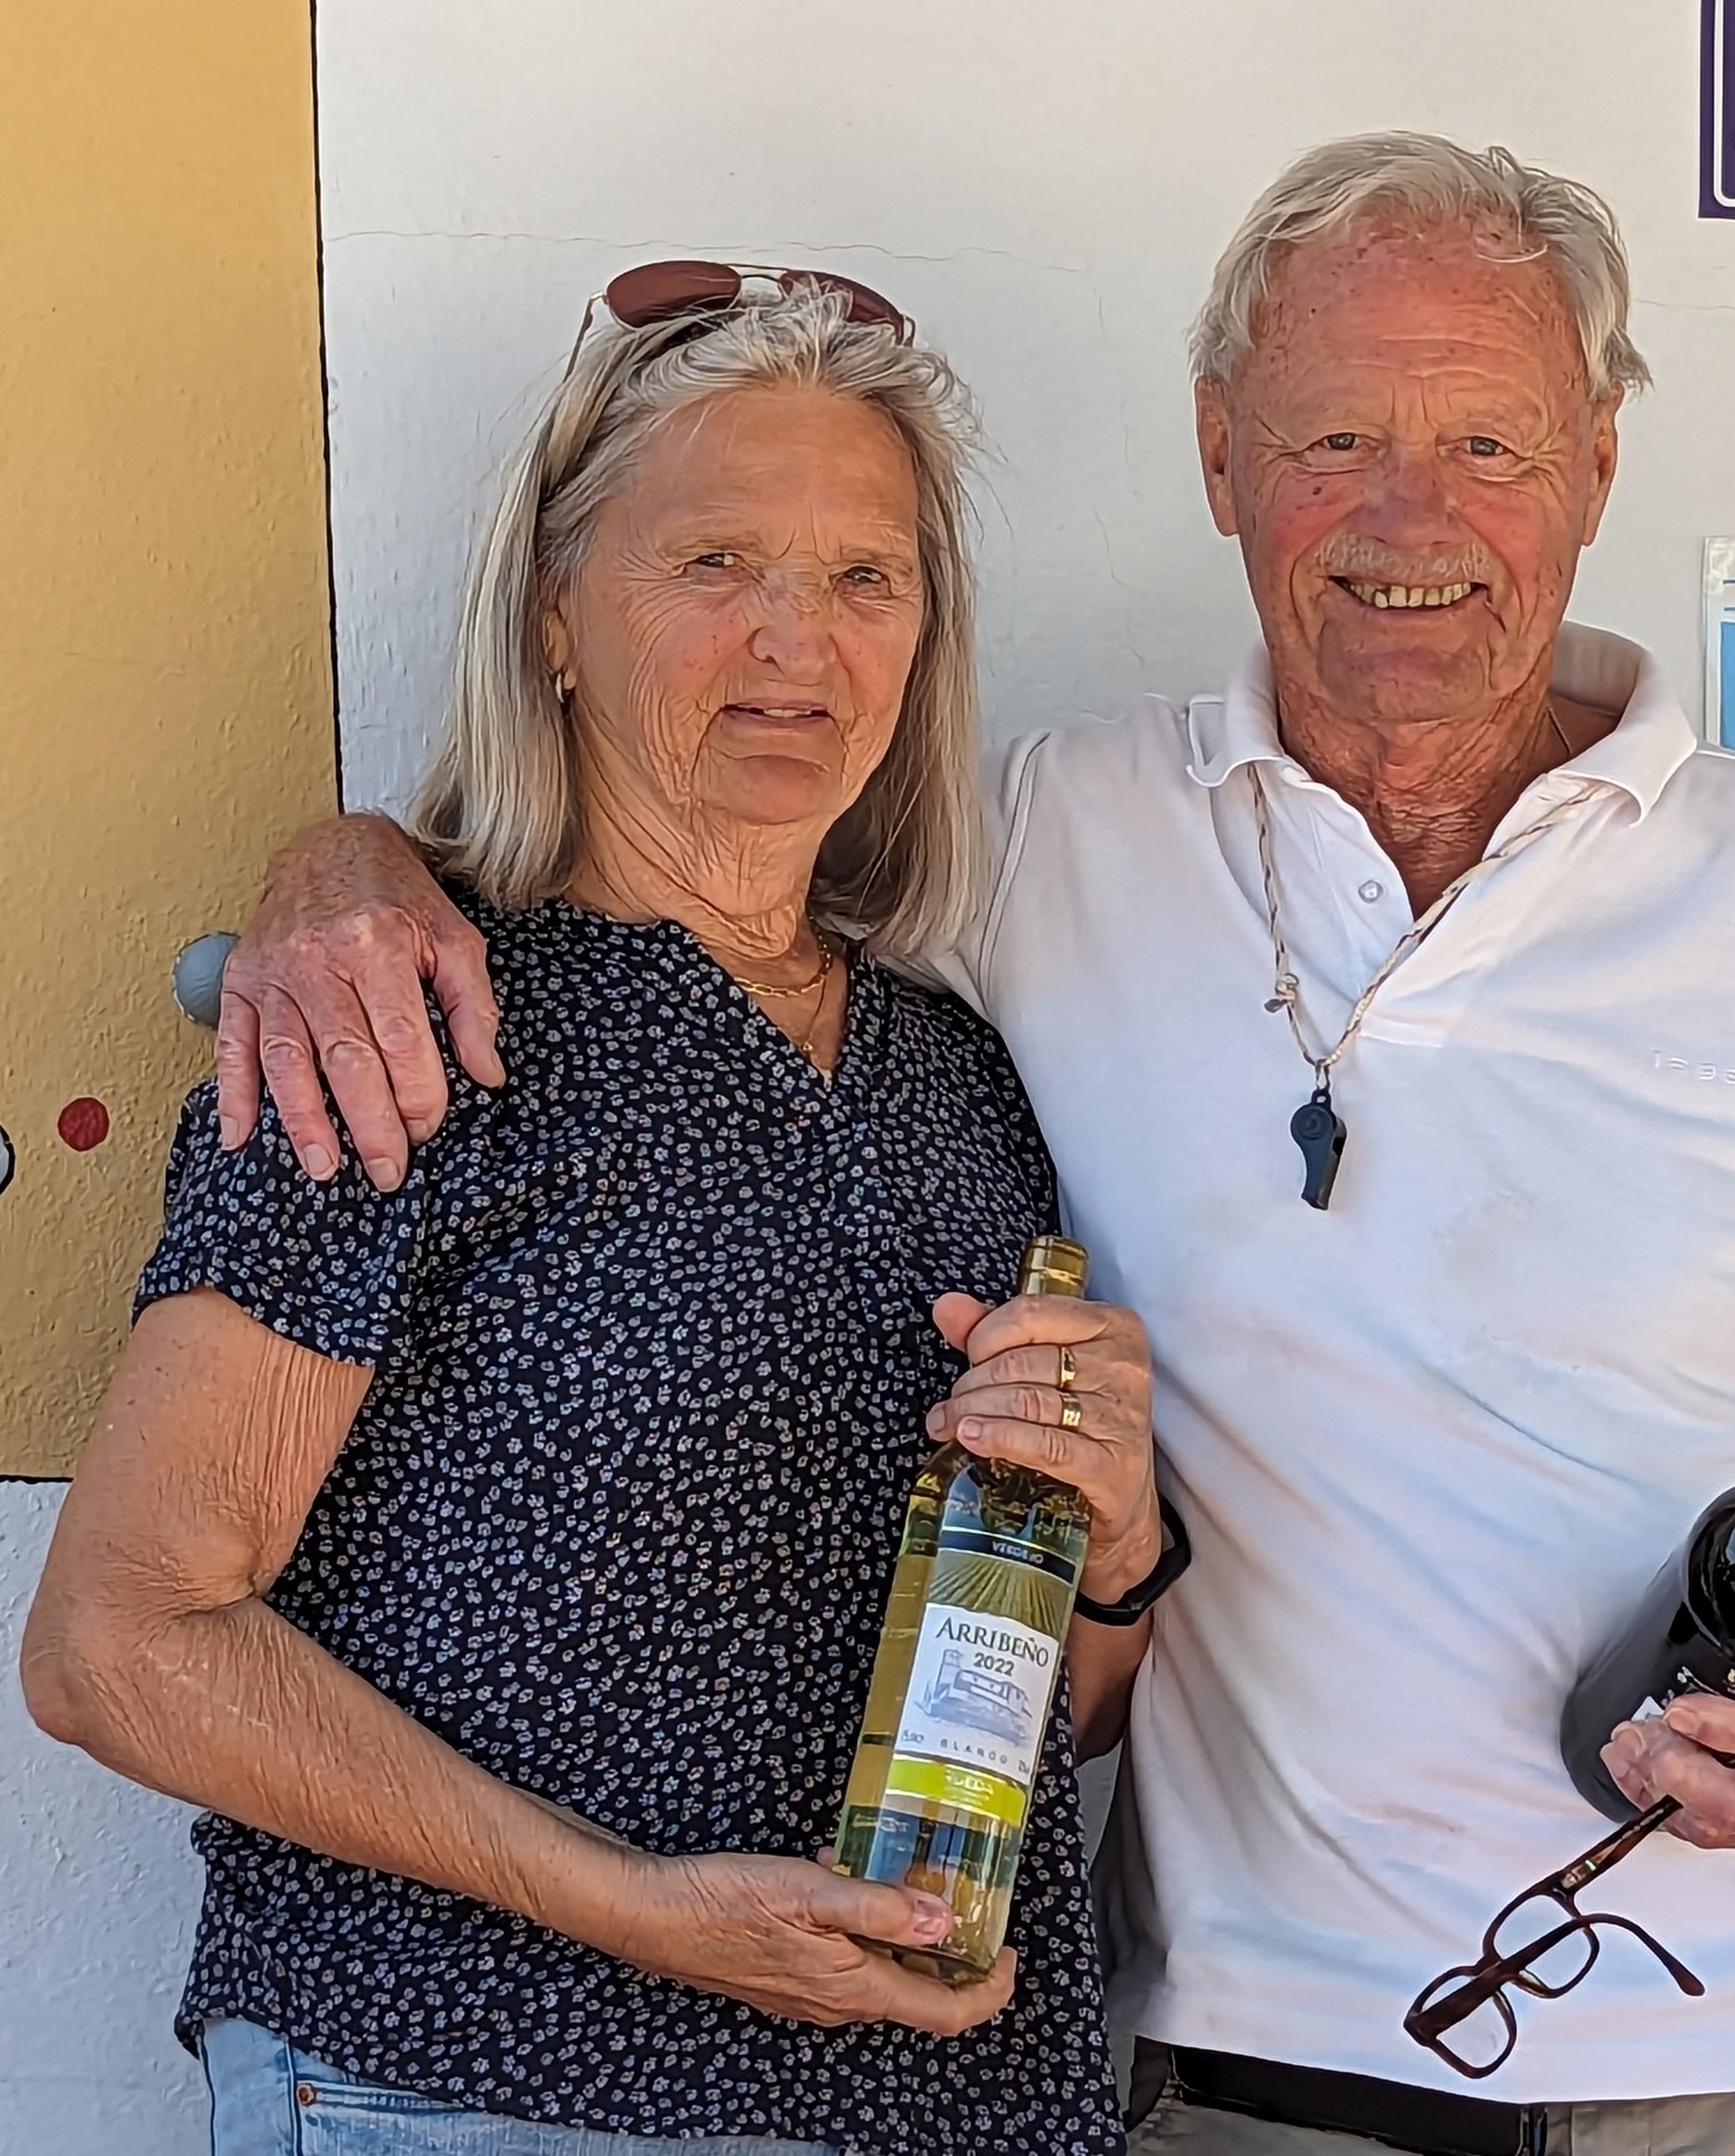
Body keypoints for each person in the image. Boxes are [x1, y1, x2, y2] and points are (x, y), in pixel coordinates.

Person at [195, 135, 1735, 2156]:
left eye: (1489, 444)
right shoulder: (1039, 841)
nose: (1412, 519)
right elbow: (673, 853)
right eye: (1335, 437)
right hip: (1258, 2064)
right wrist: (343, 863)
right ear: (1221, 456)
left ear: (1595, 464)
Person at [22, 272, 1179, 2155]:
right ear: (553, 616)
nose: (797, 638)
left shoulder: (961, 1072)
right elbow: (117, 1640)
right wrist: (634, 1905)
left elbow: (1078, 1709)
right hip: (478, 2086)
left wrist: (1114, 1543)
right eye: (716, 560)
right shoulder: (392, 1019)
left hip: (948, 2099)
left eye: (865, 576)